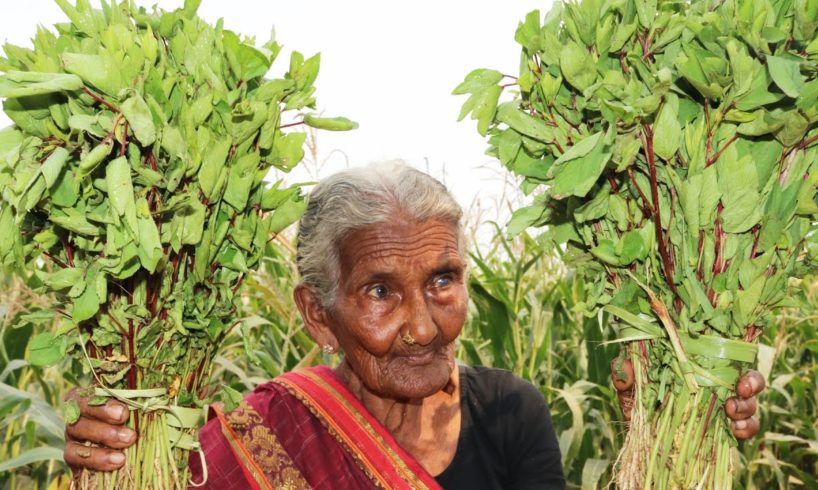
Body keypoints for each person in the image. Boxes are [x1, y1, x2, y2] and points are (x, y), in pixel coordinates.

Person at [63, 161, 763, 489]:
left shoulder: (511, 413)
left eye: (442, 280)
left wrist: (667, 426)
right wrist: (112, 465)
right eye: (380, 291)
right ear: (318, 315)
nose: (424, 327)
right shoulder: (263, 438)